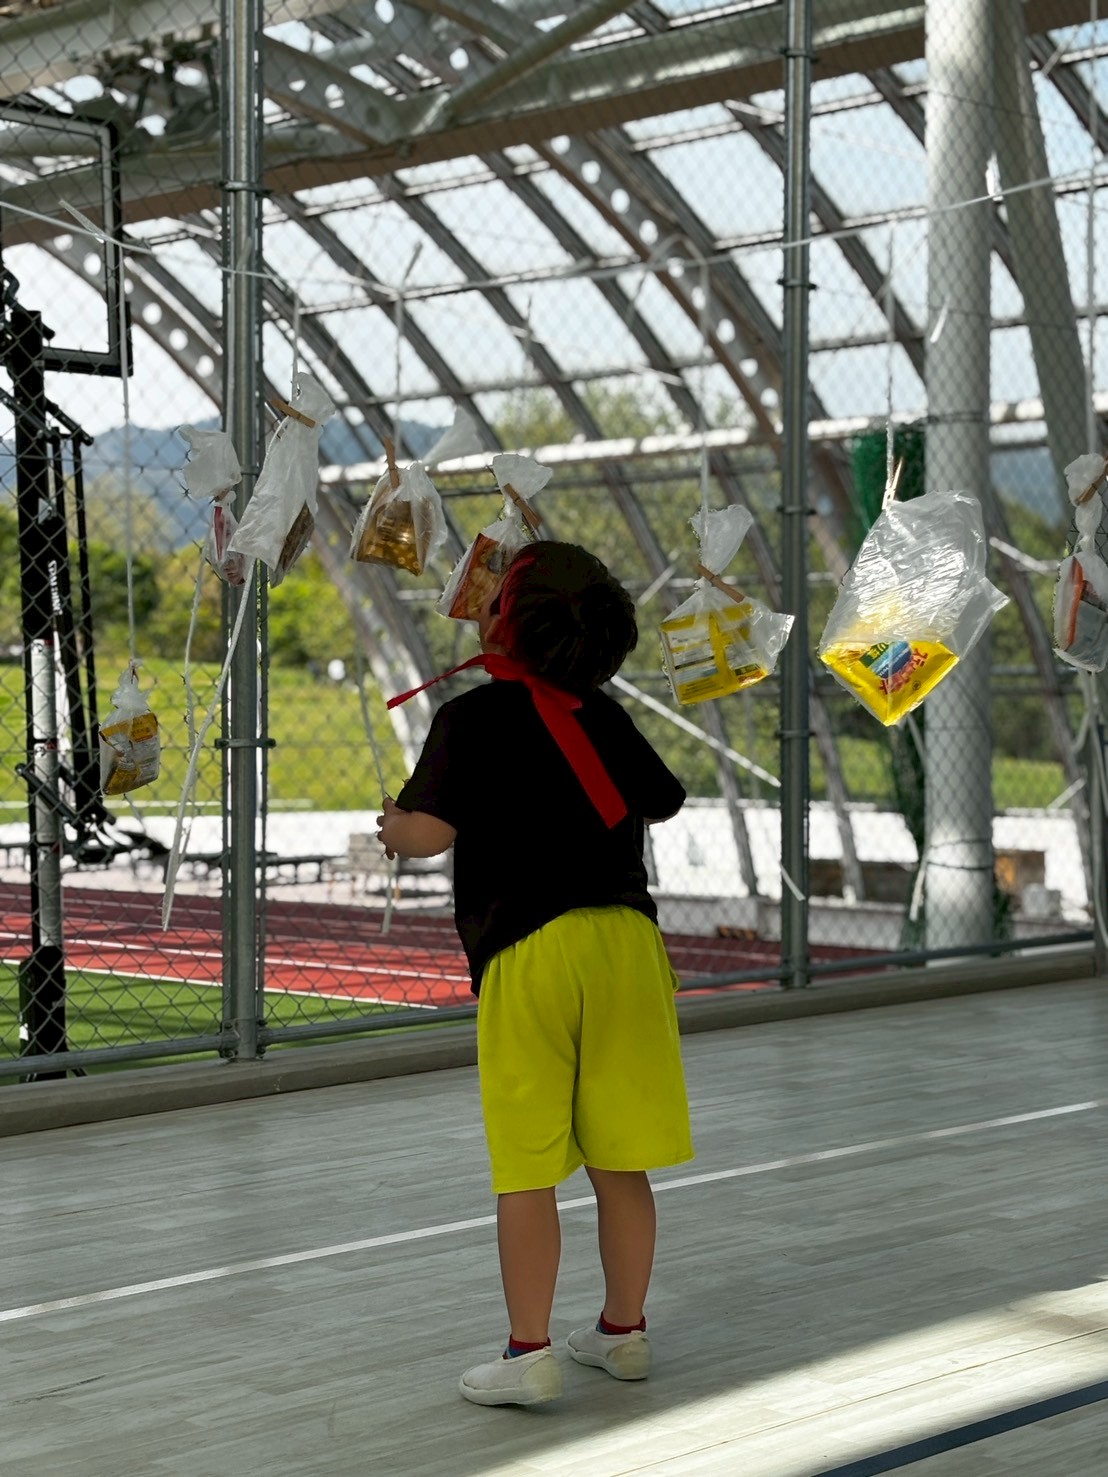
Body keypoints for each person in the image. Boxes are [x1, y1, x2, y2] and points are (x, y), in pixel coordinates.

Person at [377, 540, 694, 1408]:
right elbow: (664, 798)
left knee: (526, 1164)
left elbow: (427, 834)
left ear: (506, 620)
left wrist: (393, 825)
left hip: (530, 950)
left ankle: (529, 1352)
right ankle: (623, 1331)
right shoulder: (605, 714)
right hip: (627, 946)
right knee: (621, 1160)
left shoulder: (469, 718)